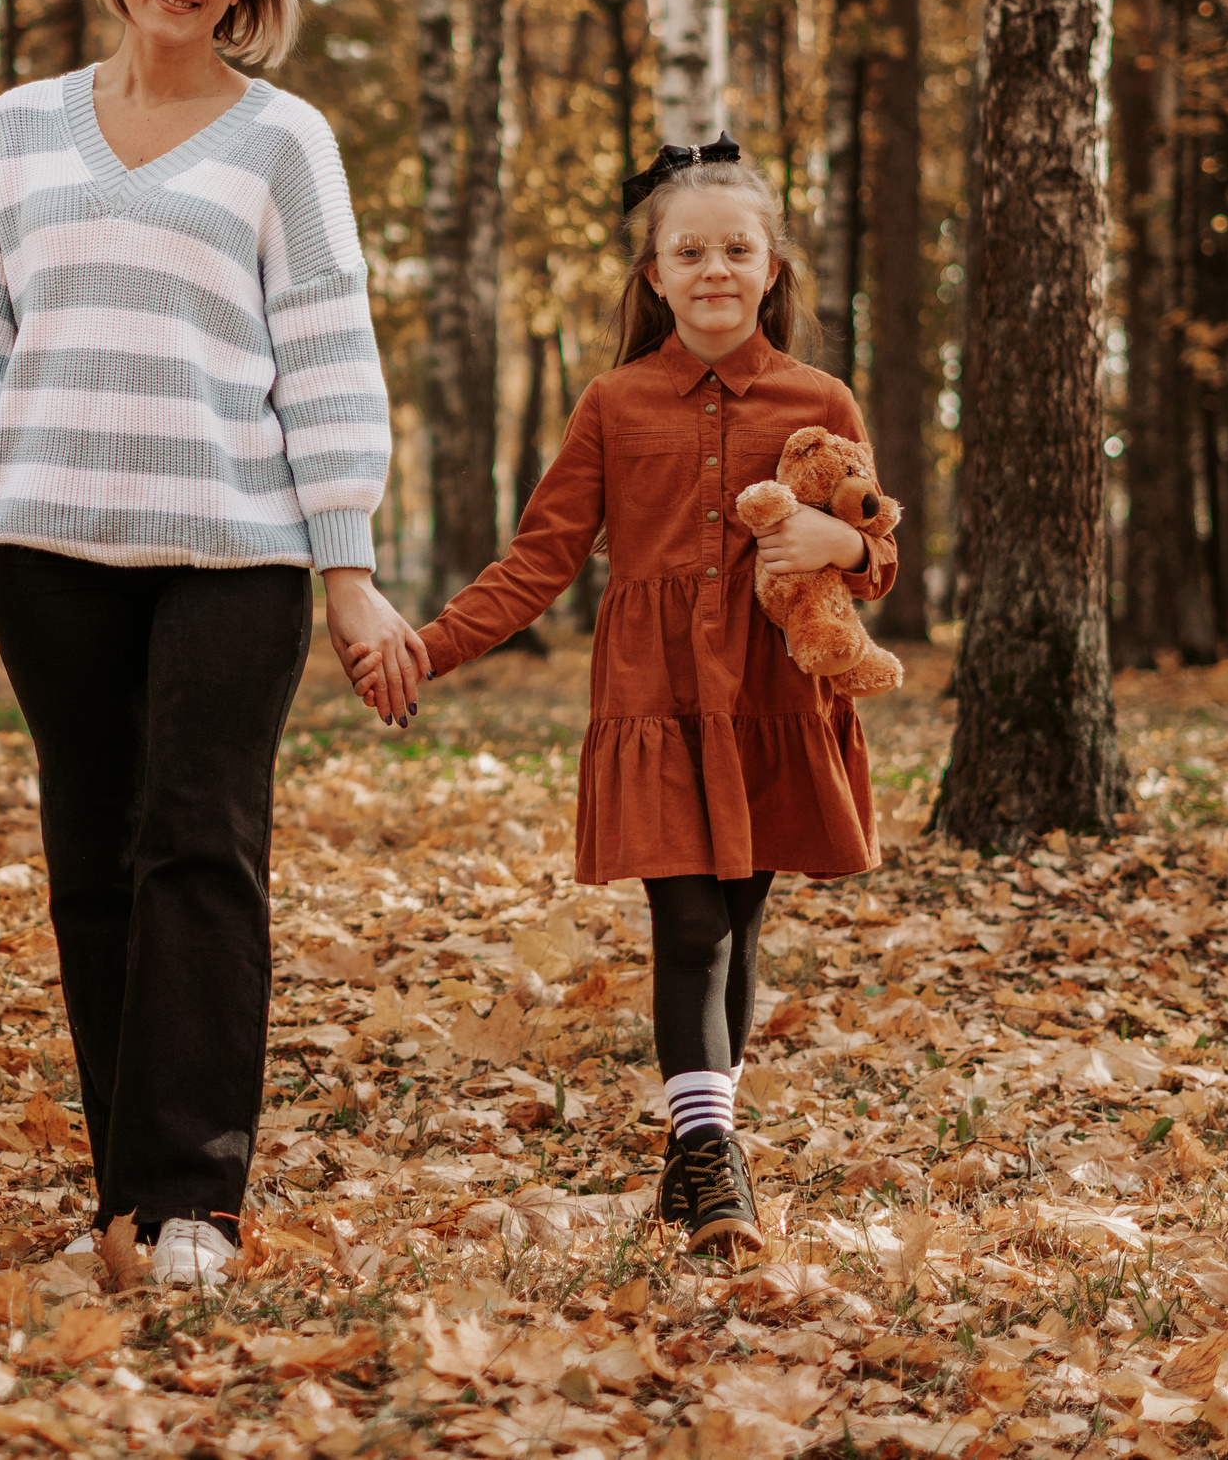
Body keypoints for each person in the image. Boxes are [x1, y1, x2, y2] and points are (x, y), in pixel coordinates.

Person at [0, 0, 429, 1291]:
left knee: (201, 845)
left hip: (234, 553)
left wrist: (351, 565)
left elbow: (327, 357)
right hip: (52, 553)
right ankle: (123, 1197)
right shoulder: (18, 129)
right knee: (93, 864)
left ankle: (200, 1196)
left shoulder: (281, 143)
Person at [354, 137, 895, 1254]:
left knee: (741, 922)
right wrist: (430, 646)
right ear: (652, 276)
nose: (712, 269)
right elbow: (539, 559)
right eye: (686, 251)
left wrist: (838, 534)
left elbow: (876, 549)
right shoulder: (613, 402)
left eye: (734, 250)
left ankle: (701, 1153)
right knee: (687, 920)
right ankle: (710, 1162)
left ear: (770, 269)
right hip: (656, 697)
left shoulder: (818, 395)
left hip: (770, 698)